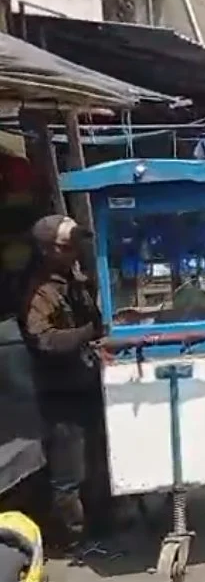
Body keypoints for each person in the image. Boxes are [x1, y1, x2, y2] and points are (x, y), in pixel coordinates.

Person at [18, 215, 111, 560]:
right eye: (66, 246)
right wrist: (87, 333)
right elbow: (43, 339)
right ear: (48, 250)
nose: (75, 251)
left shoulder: (72, 279)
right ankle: (74, 536)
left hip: (84, 382)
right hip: (61, 392)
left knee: (96, 458)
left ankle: (102, 524)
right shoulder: (39, 290)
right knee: (69, 471)